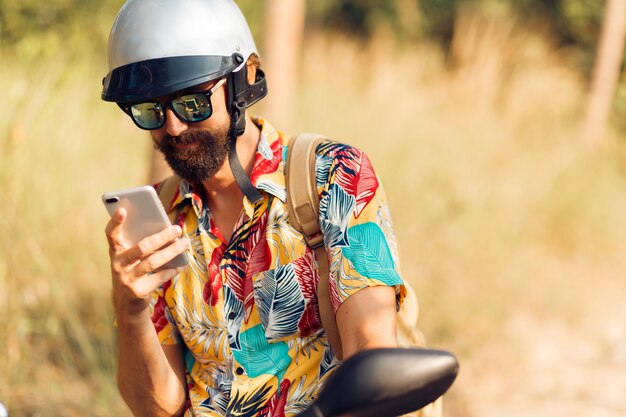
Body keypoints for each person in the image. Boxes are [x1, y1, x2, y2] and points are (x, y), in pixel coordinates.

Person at [102, 1, 432, 416]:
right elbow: (156, 409)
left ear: (242, 84)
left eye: (191, 103)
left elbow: (371, 354)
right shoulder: (157, 221)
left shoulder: (332, 176)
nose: (173, 127)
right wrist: (130, 310)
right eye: (150, 109)